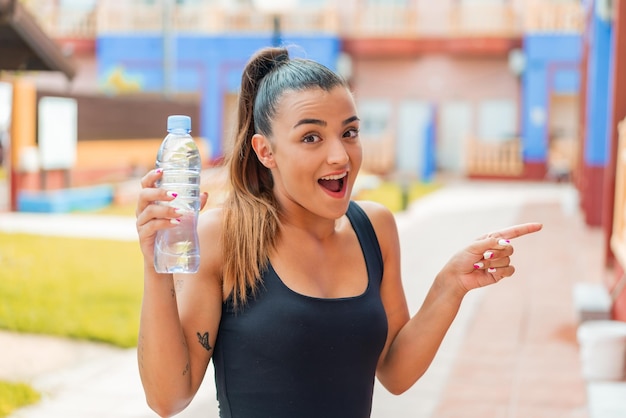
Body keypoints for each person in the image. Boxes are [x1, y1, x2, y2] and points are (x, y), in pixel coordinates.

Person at [135, 46, 542, 418]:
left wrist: (450, 285)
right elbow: (169, 398)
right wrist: (157, 266)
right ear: (265, 151)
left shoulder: (374, 228)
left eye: (349, 132)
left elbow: (395, 373)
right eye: (311, 137)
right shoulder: (224, 236)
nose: (340, 155)